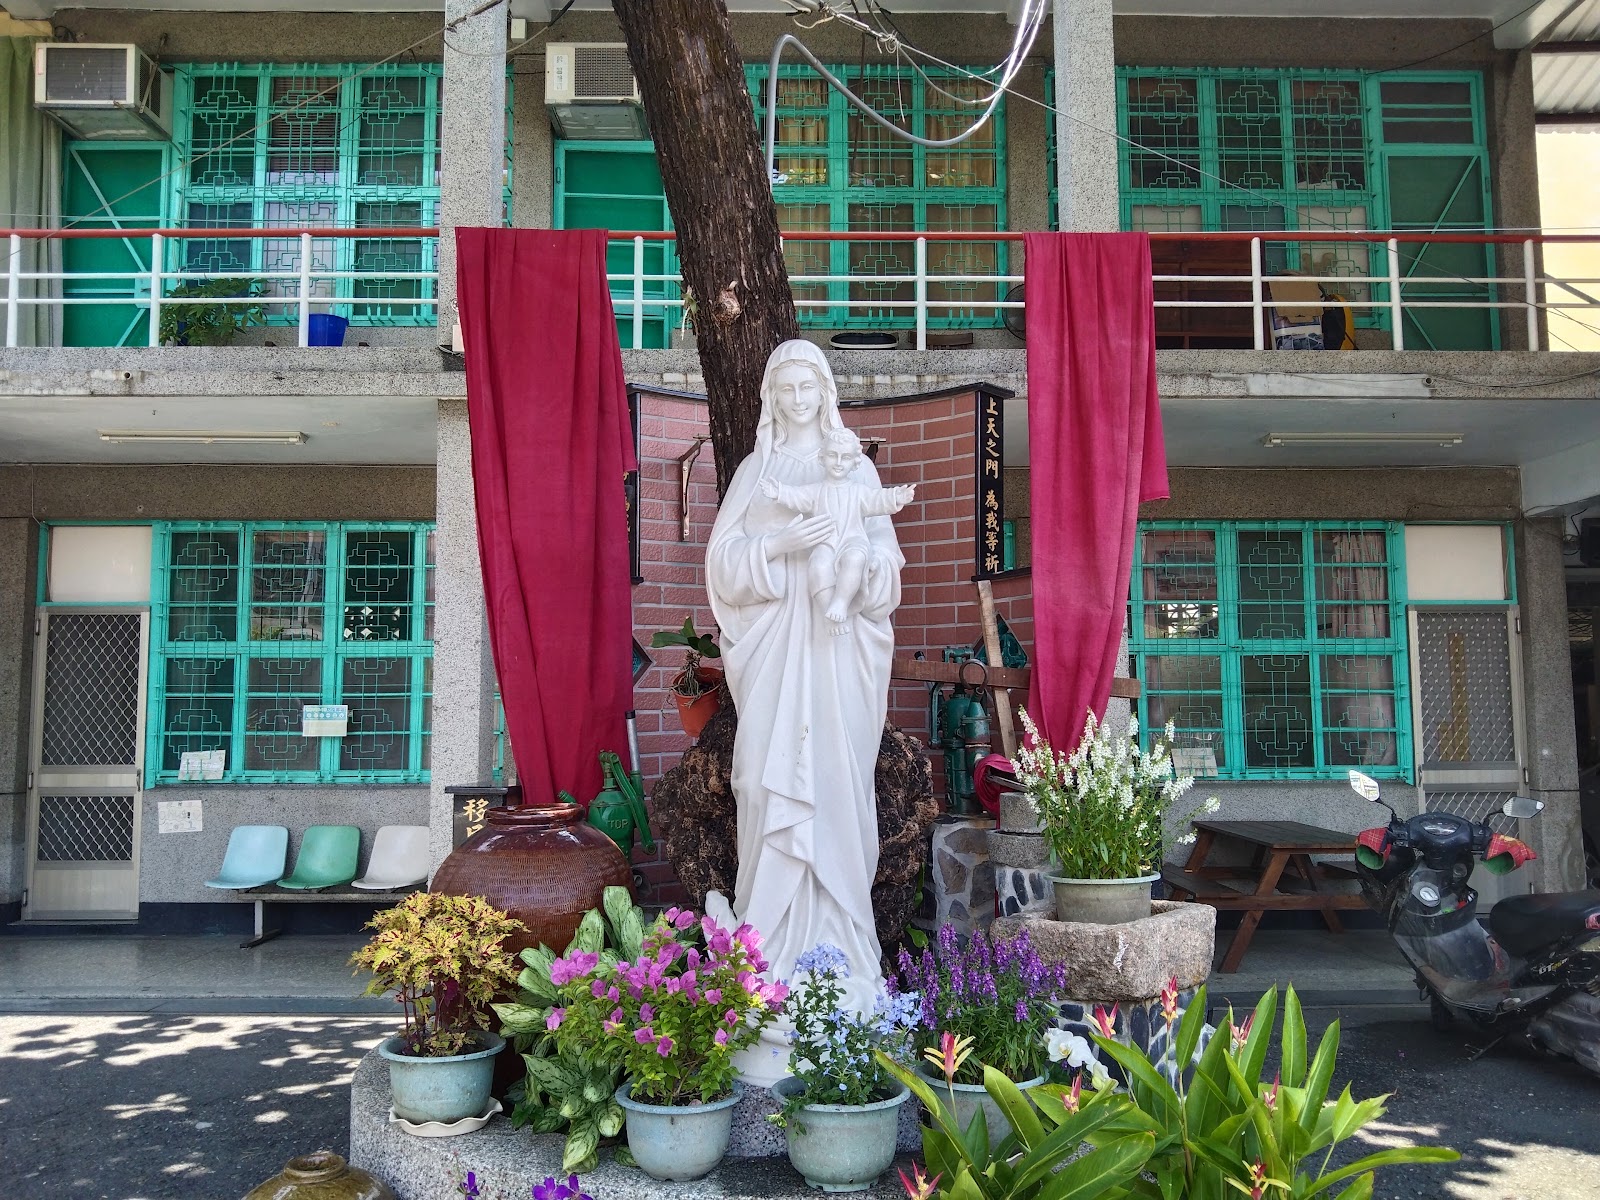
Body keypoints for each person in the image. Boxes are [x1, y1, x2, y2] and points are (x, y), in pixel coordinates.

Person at [703, 341, 905, 1072]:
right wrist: (781, 544)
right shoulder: (756, 474)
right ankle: (769, 964)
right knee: (764, 786)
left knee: (837, 795)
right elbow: (722, 568)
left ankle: (846, 957)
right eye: (785, 387)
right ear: (770, 397)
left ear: (825, 393)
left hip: (838, 661)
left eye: (807, 387)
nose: (797, 399)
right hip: (774, 663)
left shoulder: (855, 469)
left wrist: (862, 572)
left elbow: (888, 569)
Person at [758, 426, 915, 634]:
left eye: (845, 457)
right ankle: (829, 612)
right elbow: (797, 496)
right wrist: (779, 492)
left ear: (855, 462)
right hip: (826, 542)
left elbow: (878, 500)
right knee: (818, 566)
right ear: (822, 457)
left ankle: (840, 602)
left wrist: (896, 497)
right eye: (833, 455)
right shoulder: (816, 491)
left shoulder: (859, 491)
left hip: (853, 541)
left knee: (855, 560)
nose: (839, 462)